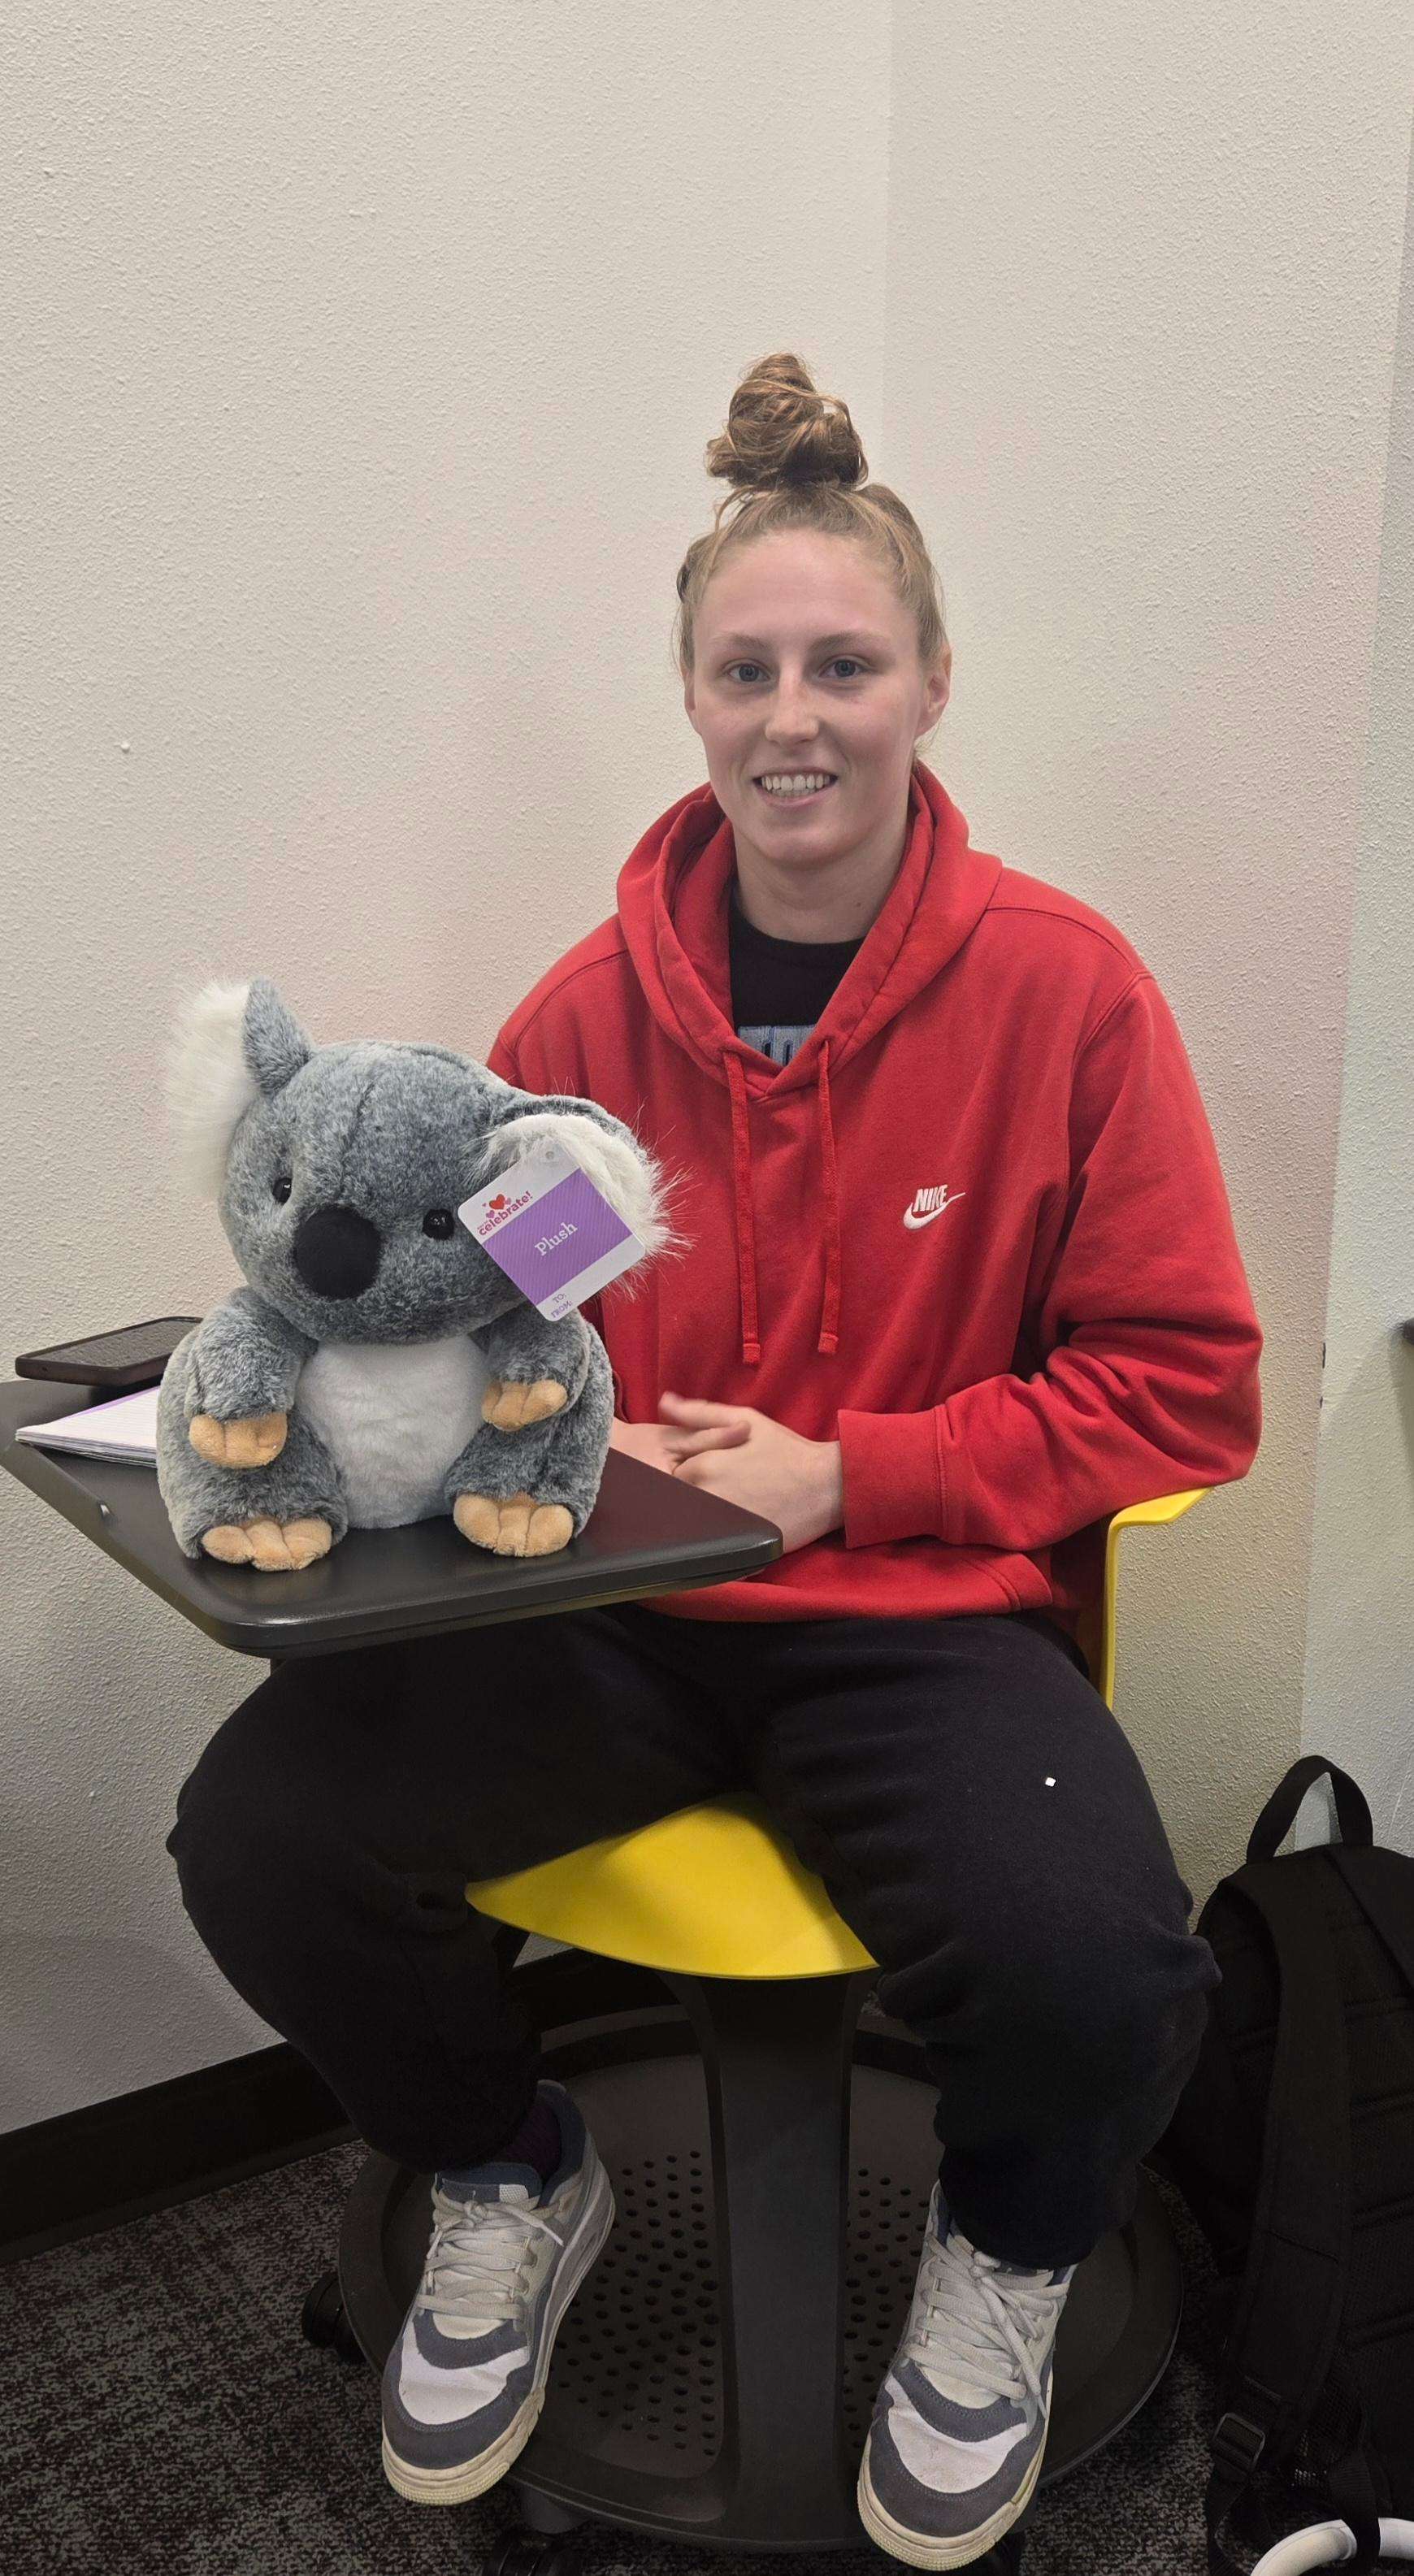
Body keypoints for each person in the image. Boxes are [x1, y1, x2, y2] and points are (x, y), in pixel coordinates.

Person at [165, 351, 1263, 2570]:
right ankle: (506, 2174)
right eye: (744, 667)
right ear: (687, 697)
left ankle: (1004, 2263)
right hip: (604, 1615)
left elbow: (1183, 1383)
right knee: (259, 1835)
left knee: (1099, 1968)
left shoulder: (1069, 997)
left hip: (917, 1617)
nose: (794, 716)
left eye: (841, 664)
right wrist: (281, 1395)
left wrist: (854, 1480)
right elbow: (473, 1338)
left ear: (928, 682)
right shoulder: (578, 1023)